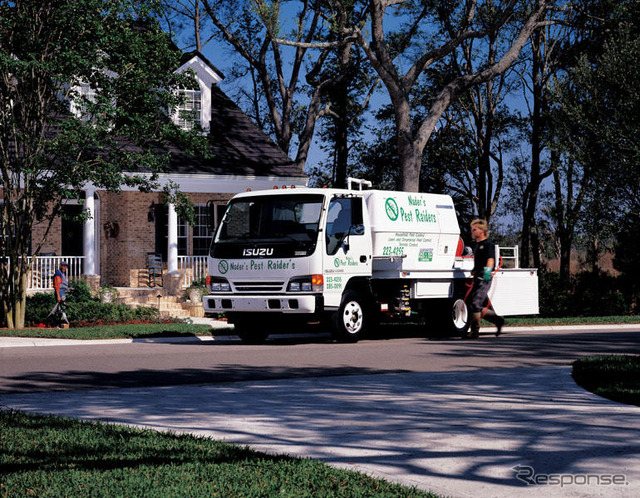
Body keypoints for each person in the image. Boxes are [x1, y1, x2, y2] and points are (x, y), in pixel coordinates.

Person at [466, 219, 504, 338]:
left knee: (475, 303)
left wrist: (487, 275)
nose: (472, 231)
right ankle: (498, 321)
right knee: (477, 303)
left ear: (482, 231)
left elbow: (490, 260)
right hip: (478, 277)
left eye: (474, 229)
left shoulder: (489, 245)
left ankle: (474, 331)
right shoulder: (478, 245)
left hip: (484, 277)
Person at [47, 261, 70, 327]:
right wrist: (58, 296)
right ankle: (54, 322)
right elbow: (57, 285)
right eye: (63, 266)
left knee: (60, 308)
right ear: (60, 266)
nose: (65, 268)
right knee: (60, 307)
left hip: (62, 291)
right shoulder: (58, 273)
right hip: (60, 292)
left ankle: (58, 323)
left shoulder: (62, 273)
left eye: (66, 266)